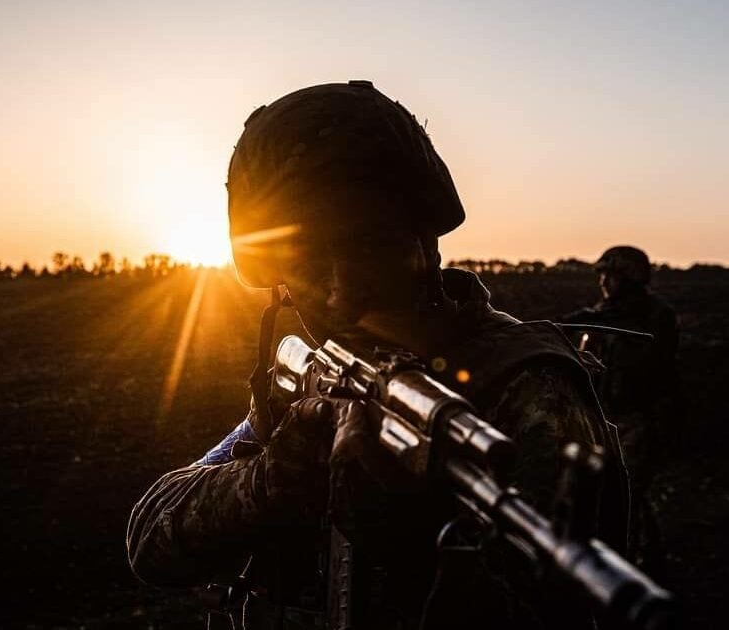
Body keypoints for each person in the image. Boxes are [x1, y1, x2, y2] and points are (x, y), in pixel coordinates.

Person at [126, 81, 628, 630]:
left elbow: (565, 607)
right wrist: (273, 480)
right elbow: (150, 540)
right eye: (308, 261)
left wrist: (417, 542)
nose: (341, 291)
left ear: (425, 240)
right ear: (276, 277)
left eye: (367, 247)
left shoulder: (528, 392)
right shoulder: (318, 384)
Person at [561, 246, 682, 575]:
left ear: (628, 278)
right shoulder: (602, 315)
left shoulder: (653, 316)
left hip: (638, 418)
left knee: (627, 494)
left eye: (608, 275)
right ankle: (647, 562)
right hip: (605, 417)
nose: (602, 281)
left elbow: (653, 364)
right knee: (621, 496)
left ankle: (629, 572)